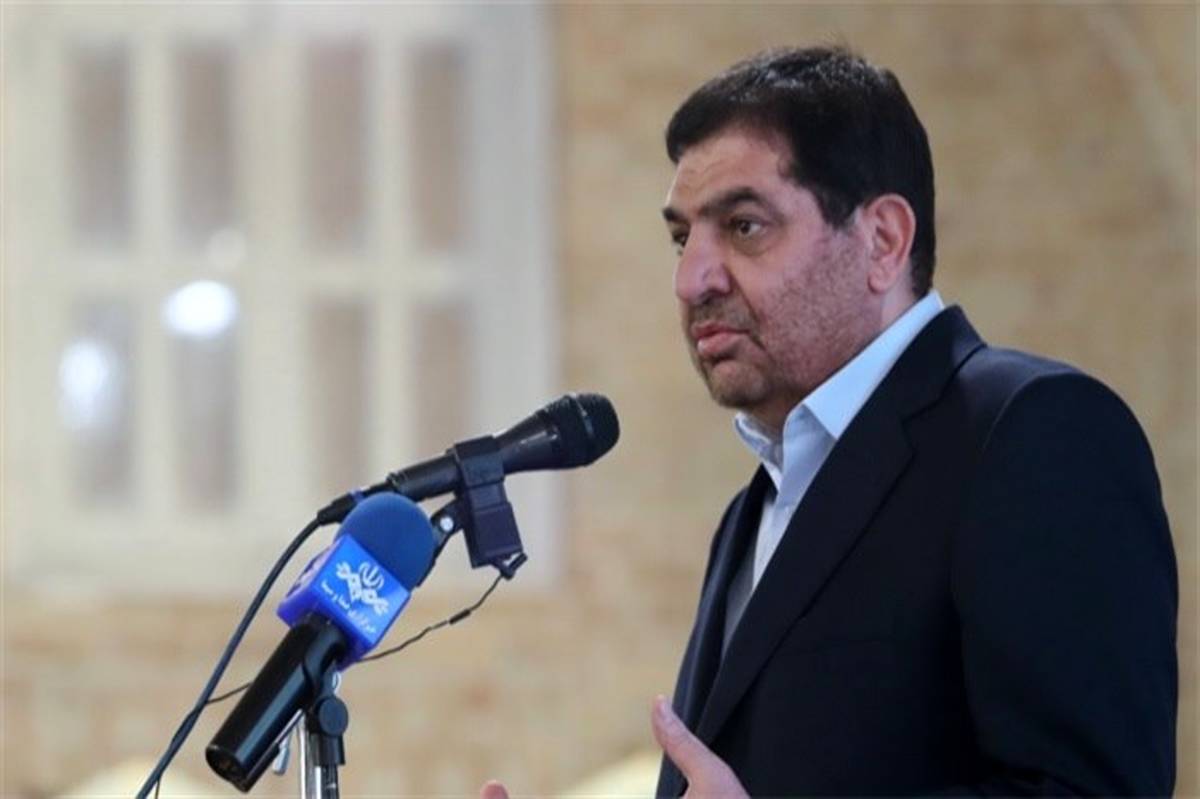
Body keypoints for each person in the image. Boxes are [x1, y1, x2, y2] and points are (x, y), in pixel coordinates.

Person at [486, 45, 1178, 799]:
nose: (691, 279)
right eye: (683, 239)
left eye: (744, 226)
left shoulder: (1033, 432)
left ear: (883, 241)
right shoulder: (755, 507)